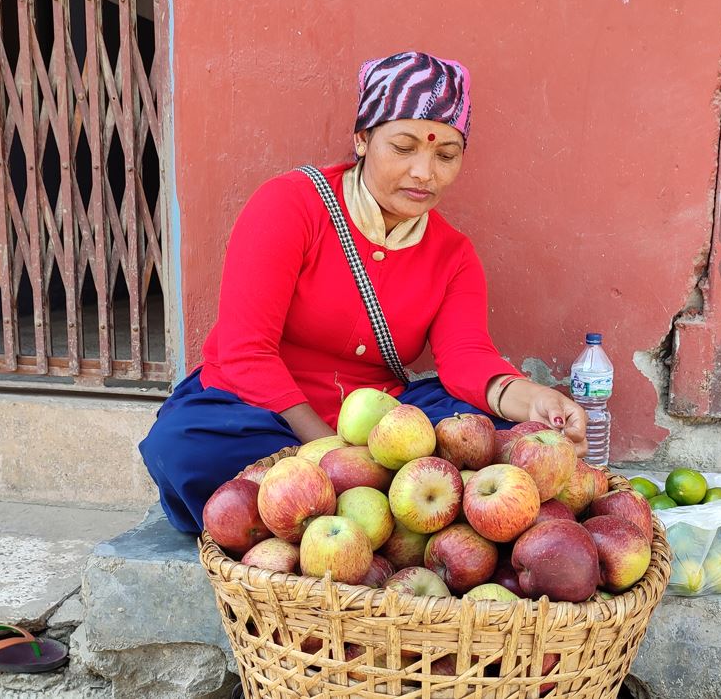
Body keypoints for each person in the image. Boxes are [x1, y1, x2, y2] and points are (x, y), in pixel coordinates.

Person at [140, 51, 587, 534]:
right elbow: (246, 351)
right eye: (403, 147)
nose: (424, 172)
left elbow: (466, 357)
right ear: (362, 139)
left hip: (380, 424)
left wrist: (535, 399)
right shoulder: (290, 205)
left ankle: (331, 512)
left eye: (445, 155)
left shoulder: (453, 255)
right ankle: (369, 510)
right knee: (185, 449)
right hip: (259, 412)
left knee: (499, 439)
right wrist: (332, 456)